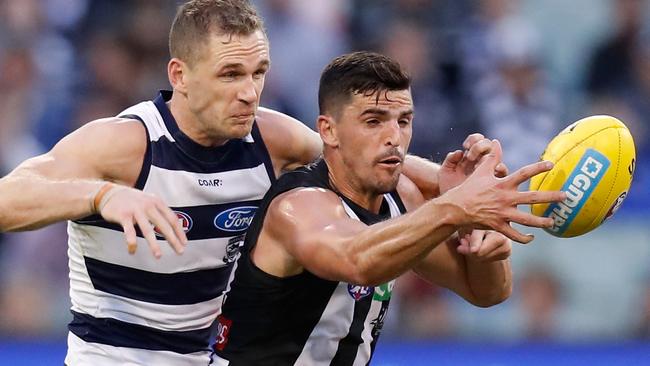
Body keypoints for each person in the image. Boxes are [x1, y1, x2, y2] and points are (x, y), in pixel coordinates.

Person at [0, 1, 495, 365]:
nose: (249, 92)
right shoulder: (125, 145)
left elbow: (360, 154)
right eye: (231, 73)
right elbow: (7, 200)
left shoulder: (269, 137)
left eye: (258, 72)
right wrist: (103, 195)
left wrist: (455, 185)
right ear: (181, 74)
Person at [211, 51, 565, 365]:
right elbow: (357, 261)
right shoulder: (297, 206)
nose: (394, 136)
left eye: (404, 121)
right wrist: (454, 207)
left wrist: (478, 231)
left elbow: (487, 293)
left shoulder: (402, 199)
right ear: (329, 131)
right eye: (373, 121)